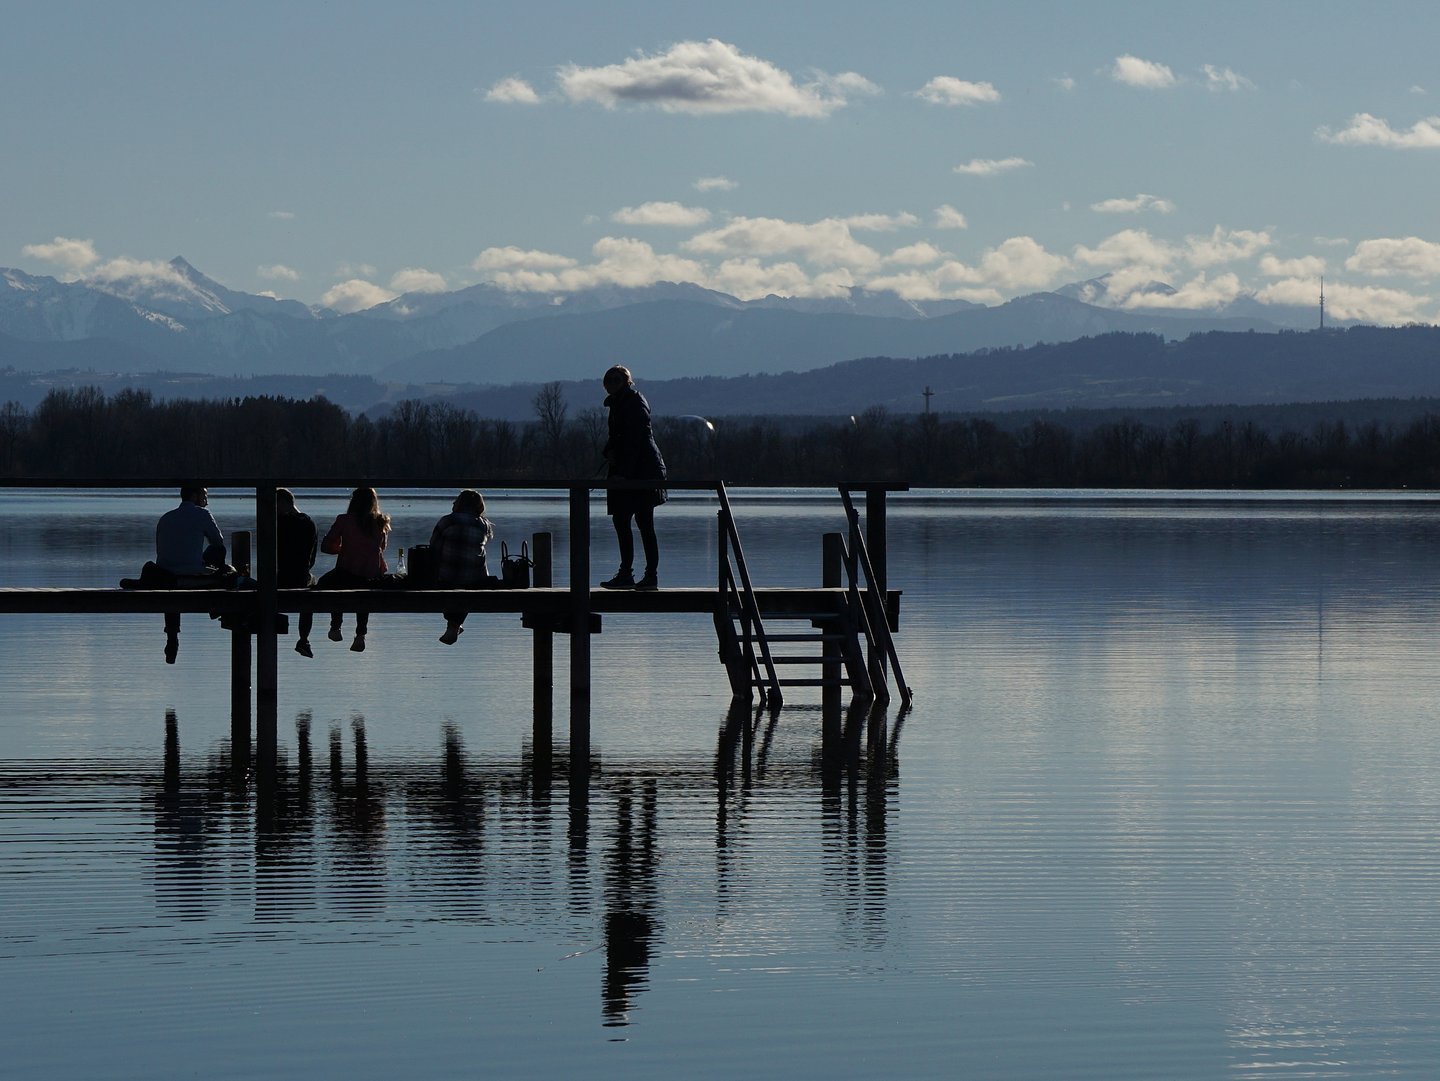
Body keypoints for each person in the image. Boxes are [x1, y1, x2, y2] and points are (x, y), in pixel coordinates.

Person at [599, 364, 667, 591]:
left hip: (644, 471)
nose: (611, 383)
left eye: (617, 379)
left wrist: (625, 474)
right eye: (608, 380)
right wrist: (608, 452)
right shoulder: (619, 404)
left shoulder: (635, 402)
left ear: (627, 382)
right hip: (626, 470)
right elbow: (619, 438)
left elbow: (637, 440)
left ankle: (650, 577)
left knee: (644, 522)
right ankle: (626, 574)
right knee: (621, 520)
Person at [155, 485, 227, 664]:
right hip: (191, 574)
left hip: (165, 575)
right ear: (195, 496)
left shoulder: (166, 517)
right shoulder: (203, 514)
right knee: (218, 551)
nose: (207, 501)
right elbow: (218, 542)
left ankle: (172, 636)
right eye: (205, 495)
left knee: (172, 588)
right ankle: (215, 606)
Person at [317, 486, 390, 652]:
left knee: (328, 584)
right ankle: (360, 635)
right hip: (373, 575)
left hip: (347, 572)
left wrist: (343, 549)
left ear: (353, 502)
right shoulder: (381, 521)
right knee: (364, 594)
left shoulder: (344, 520)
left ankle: (336, 627)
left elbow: (326, 546)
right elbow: (382, 547)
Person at [429, 489, 495, 645]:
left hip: (446, 577)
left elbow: (433, 547)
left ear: (459, 503)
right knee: (467, 585)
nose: (453, 503)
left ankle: (453, 626)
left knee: (445, 580)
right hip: (474, 579)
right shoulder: (484, 525)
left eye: (456, 500)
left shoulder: (447, 521)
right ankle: (455, 626)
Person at [276, 488, 319, 657]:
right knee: (311, 587)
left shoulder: (280, 522)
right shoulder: (310, 523)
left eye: (275, 505)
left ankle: (272, 623)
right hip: (302, 576)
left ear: (282, 503)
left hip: (280, 578)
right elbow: (312, 559)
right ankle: (303, 638)